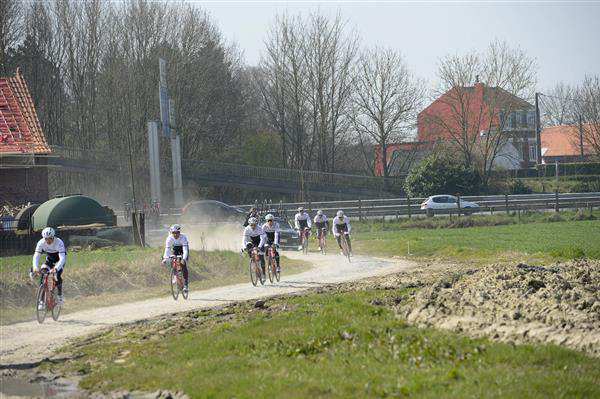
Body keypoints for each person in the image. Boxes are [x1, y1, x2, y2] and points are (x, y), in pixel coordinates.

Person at [31, 227, 67, 307]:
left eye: (50, 238)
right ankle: (41, 301)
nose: (48, 241)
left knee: (57, 276)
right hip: (49, 260)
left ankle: (60, 296)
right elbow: (36, 256)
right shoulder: (41, 242)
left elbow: (62, 258)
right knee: (43, 276)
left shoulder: (59, 242)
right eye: (46, 239)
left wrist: (56, 268)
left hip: (59, 261)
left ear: (53, 237)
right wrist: (35, 267)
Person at [162, 224, 190, 294]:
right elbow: (167, 249)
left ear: (179, 232)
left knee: (183, 264)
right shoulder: (169, 238)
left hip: (183, 249)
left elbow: (185, 250)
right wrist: (165, 259)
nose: (175, 235)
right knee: (172, 259)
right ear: (171, 233)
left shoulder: (183, 237)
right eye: (173, 233)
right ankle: (175, 275)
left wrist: (184, 259)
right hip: (175, 249)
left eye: (177, 232)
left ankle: (186, 285)